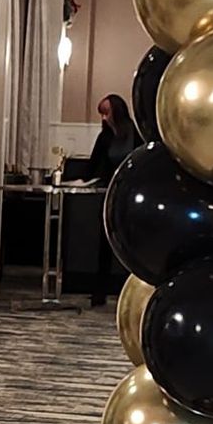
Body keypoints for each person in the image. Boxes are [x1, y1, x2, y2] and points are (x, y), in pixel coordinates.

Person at [67, 93, 141, 306]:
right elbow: (93, 165)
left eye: (106, 113)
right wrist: (79, 180)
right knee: (105, 244)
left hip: (131, 195)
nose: (104, 118)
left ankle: (131, 291)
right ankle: (100, 291)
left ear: (117, 112)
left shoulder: (134, 134)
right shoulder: (105, 137)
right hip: (110, 193)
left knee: (131, 244)